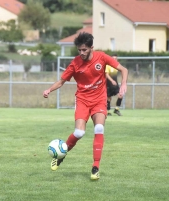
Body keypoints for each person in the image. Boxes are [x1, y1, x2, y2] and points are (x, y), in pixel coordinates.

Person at [43, 32, 128, 180]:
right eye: (79, 50)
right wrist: (49, 90)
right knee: (79, 133)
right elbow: (61, 81)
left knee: (99, 128)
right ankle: (61, 154)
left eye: (84, 50)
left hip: (99, 100)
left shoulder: (101, 57)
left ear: (91, 48)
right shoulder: (75, 63)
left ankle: (95, 167)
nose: (81, 53)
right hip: (82, 100)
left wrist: (124, 84)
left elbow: (124, 69)